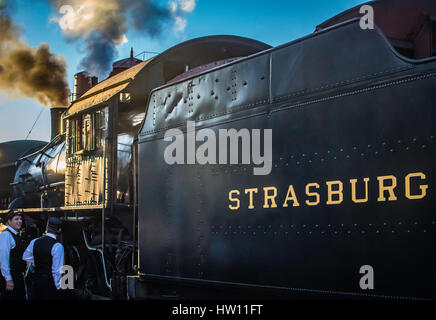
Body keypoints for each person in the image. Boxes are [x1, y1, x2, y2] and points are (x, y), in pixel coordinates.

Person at [22, 217, 64, 300]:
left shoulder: (35, 241)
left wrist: (36, 261)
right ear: (59, 230)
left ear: (47, 228)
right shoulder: (58, 246)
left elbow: (25, 256)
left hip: (36, 280)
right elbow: (56, 270)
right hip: (49, 283)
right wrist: (59, 288)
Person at [0, 210, 27, 300]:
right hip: (11, 276)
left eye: (20, 219)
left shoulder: (16, 235)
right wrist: (8, 279)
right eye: (16, 219)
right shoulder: (6, 235)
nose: (19, 221)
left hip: (17, 275)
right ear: (9, 221)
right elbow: (4, 258)